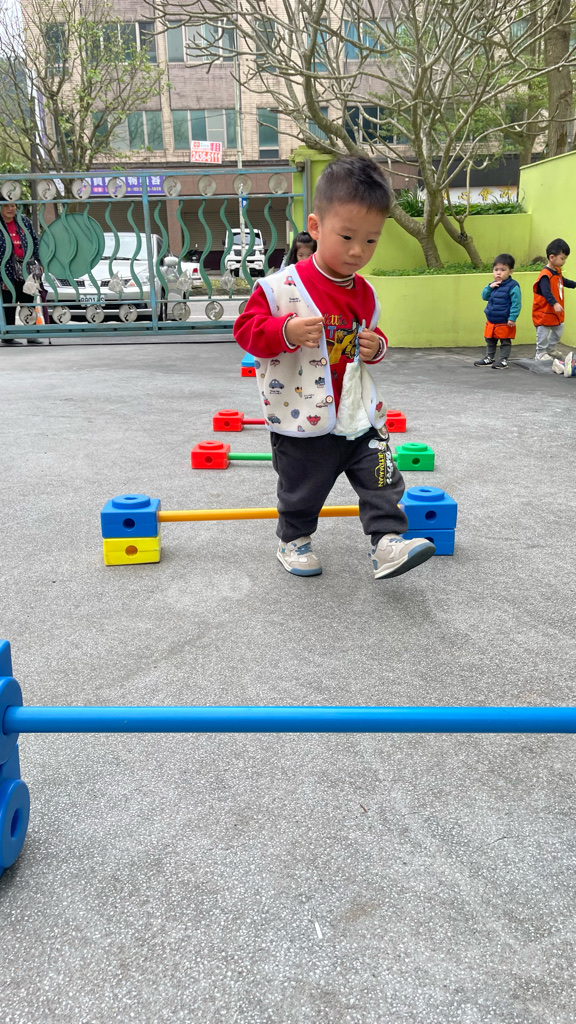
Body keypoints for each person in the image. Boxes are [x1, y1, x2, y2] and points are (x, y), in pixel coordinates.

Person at [234, 154, 435, 580]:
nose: (358, 251)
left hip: (358, 412)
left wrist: (376, 346)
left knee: (383, 477)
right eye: (347, 237)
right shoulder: (279, 287)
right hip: (301, 415)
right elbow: (246, 332)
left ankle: (387, 542)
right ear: (315, 226)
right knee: (301, 488)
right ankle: (294, 540)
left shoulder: (365, 293)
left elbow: (373, 339)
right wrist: (286, 330)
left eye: (371, 241)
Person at [0, 202, 44, 346]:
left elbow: (35, 241)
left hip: (26, 268)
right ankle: (8, 336)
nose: (10, 209)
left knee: (28, 300)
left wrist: (39, 261)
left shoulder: (23, 221)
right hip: (6, 270)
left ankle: (31, 334)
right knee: (9, 301)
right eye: (6, 206)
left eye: (13, 206)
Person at [474, 253, 521, 369]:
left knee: (505, 341)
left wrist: (512, 318)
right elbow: (484, 296)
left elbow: (516, 304)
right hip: (491, 319)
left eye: (503, 270)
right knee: (490, 340)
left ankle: (503, 360)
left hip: (504, 320)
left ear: (510, 271)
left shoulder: (513, 286)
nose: (498, 273)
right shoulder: (493, 285)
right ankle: (489, 358)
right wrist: (489, 287)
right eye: (496, 270)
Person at [532, 238, 576, 362]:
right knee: (543, 332)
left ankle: (550, 349)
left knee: (559, 328)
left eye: (565, 258)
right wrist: (555, 303)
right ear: (552, 257)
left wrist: (574, 284)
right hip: (544, 311)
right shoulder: (545, 275)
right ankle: (540, 353)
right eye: (562, 258)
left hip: (554, 312)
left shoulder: (557, 271)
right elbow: (546, 292)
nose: (564, 261)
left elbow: (563, 281)